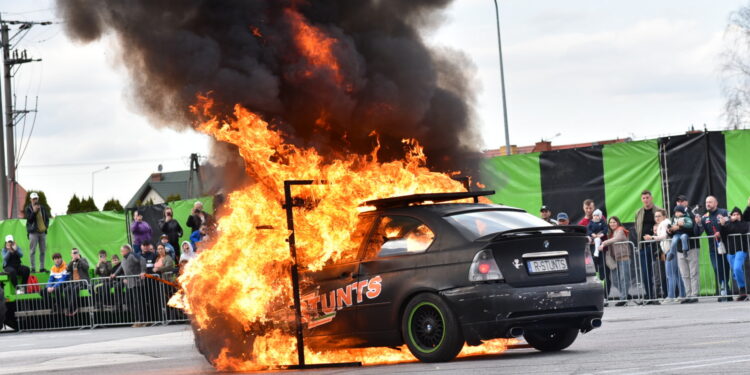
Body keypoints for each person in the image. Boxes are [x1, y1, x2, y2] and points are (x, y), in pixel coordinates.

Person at [695, 196, 732, 301]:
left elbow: (730, 225)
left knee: (725, 268)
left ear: (716, 203)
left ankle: (726, 291)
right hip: (713, 248)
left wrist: (722, 230)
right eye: (706, 202)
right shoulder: (704, 217)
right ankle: (724, 289)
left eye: (710, 202)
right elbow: (697, 233)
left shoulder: (724, 212)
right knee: (717, 268)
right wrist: (697, 223)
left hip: (725, 246)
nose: (708, 204)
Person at [634, 190, 662, 304]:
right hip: (643, 245)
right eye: (643, 198)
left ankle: (659, 295)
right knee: (645, 272)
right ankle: (649, 296)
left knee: (657, 271)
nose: (646, 200)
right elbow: (637, 227)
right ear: (642, 200)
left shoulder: (659, 210)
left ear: (651, 198)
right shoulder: (638, 212)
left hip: (656, 245)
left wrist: (653, 236)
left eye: (647, 197)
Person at [111, 244, 147, 327]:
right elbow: (121, 267)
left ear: (127, 250)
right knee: (129, 302)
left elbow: (143, 260)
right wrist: (114, 274)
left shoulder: (133, 255)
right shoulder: (124, 258)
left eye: (122, 251)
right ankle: (137, 320)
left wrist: (143, 271)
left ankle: (141, 321)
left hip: (137, 283)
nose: (120, 252)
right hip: (129, 284)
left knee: (138, 302)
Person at [599, 217, 631, 306]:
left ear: (618, 222)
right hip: (615, 259)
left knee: (623, 278)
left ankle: (623, 299)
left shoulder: (620, 229)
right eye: (610, 222)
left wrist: (604, 243)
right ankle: (625, 295)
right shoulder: (611, 233)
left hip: (624, 257)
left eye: (614, 222)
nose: (612, 224)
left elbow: (618, 238)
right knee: (614, 279)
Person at [719, 207, 749, 301]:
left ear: (741, 215)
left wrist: (737, 221)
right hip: (730, 252)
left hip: (741, 250)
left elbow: (742, 230)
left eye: (738, 214)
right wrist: (722, 225)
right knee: (735, 273)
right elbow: (723, 234)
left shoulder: (744, 224)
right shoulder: (728, 224)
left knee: (737, 268)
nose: (736, 216)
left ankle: (743, 289)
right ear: (731, 216)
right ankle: (742, 293)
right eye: (734, 214)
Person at [666, 207, 691, 302]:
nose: (677, 214)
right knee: (674, 241)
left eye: (679, 212)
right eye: (676, 212)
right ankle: (671, 253)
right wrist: (670, 229)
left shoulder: (687, 217)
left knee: (684, 237)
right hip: (676, 234)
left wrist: (682, 225)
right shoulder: (674, 219)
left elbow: (690, 225)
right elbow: (671, 229)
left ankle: (685, 249)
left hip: (684, 233)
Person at [24, 192, 50, 272]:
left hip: (42, 232)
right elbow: (29, 219)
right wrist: (34, 212)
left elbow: (47, 219)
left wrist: (45, 226)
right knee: (32, 251)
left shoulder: (43, 208)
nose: (35, 200)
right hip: (33, 232)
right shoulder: (28, 208)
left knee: (42, 250)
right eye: (33, 199)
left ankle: (42, 268)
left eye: (36, 198)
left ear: (38, 199)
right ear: (30, 200)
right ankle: (33, 268)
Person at [586, 209, 610, 298]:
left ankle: (604, 295)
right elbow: (588, 230)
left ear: (600, 216)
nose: (596, 217)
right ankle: (594, 295)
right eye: (594, 215)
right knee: (594, 271)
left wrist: (601, 235)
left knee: (602, 272)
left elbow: (605, 229)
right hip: (592, 248)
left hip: (601, 250)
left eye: (597, 215)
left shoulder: (602, 222)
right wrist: (592, 234)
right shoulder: (590, 223)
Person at [65, 248, 90, 316]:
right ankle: (74, 307)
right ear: (71, 254)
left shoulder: (83, 259)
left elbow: (87, 267)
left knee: (75, 289)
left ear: (78, 253)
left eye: (76, 252)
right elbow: (67, 269)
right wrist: (72, 261)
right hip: (74, 282)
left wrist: (80, 259)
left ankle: (70, 309)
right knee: (66, 290)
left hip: (83, 282)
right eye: (74, 253)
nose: (75, 254)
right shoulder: (71, 262)